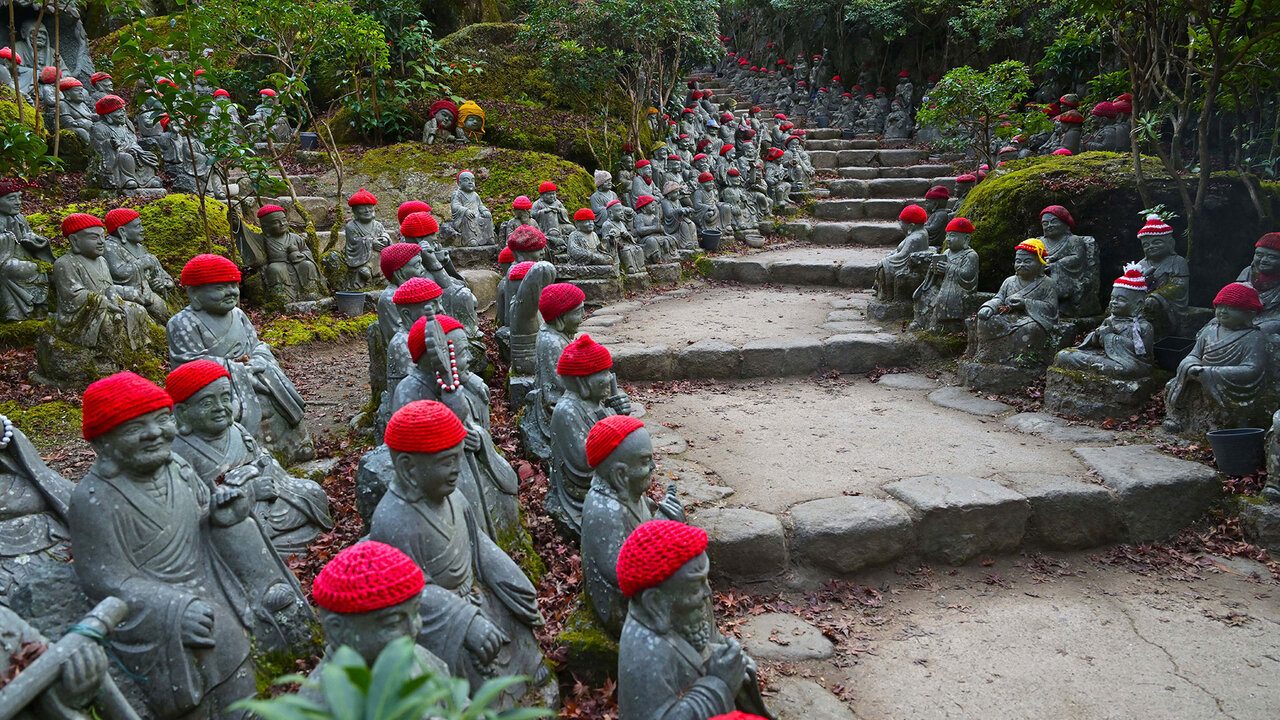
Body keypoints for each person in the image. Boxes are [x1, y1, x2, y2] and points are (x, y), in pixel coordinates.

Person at [69, 372, 257, 720]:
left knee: (235, 658)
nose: (155, 434)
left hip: (207, 590)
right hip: (152, 616)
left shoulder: (179, 467)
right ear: (103, 444)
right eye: (134, 428)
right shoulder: (94, 499)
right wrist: (173, 609)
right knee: (204, 648)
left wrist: (221, 514)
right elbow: (104, 578)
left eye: (161, 421)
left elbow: (199, 515)